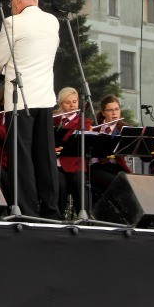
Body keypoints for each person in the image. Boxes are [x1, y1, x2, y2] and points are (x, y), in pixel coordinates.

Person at [0, 0, 60, 220]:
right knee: (45, 155)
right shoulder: (52, 22)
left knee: (22, 157)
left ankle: (27, 210)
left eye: (11, 3)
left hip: (20, 100)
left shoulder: (13, 23)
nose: (11, 8)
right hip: (45, 98)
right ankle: (51, 210)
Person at [54, 87, 92, 217]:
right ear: (60, 104)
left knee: (79, 181)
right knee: (59, 184)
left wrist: (60, 137)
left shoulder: (84, 122)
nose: (72, 105)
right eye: (67, 102)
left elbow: (71, 138)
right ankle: (56, 219)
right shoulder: (54, 120)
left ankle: (84, 218)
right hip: (57, 164)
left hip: (76, 165)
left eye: (74, 102)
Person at [89, 94, 131, 197]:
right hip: (97, 167)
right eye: (110, 110)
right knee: (119, 184)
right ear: (103, 113)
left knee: (131, 184)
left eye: (117, 109)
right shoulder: (94, 128)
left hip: (117, 167)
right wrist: (90, 135)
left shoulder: (125, 129)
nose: (114, 113)